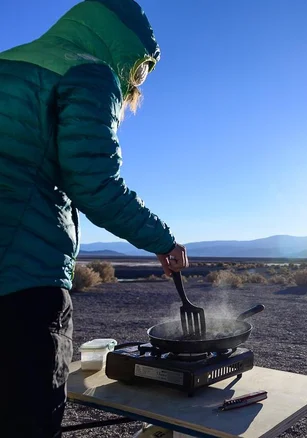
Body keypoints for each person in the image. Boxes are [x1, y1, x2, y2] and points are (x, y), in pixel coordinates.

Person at [0, 1, 188, 436]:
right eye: (140, 73)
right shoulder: (89, 72)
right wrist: (163, 241)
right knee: (27, 419)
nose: (135, 85)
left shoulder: (11, 61)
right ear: (128, 52)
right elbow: (93, 183)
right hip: (22, 282)